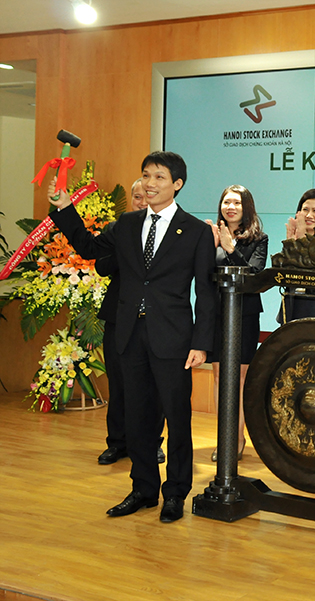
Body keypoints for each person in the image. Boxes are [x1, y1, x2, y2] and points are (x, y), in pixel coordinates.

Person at [49, 151, 216, 524]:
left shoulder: (195, 231)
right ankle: (143, 489)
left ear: (177, 184)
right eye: (146, 175)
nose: (150, 183)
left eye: (159, 177)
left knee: (177, 418)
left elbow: (206, 293)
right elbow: (90, 249)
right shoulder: (127, 224)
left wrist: (201, 343)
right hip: (129, 333)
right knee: (137, 417)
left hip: (173, 338)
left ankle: (175, 493)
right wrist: (65, 209)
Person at [95, 179, 165, 466]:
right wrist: (126, 249)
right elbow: (101, 266)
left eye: (146, 196)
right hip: (118, 316)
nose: (141, 202)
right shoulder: (119, 229)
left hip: (156, 319)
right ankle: (117, 442)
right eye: (137, 196)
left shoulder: (165, 230)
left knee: (154, 385)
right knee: (119, 382)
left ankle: (152, 442)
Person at [206, 185, 268, 462]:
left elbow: (254, 276)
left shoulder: (258, 239)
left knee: (240, 378)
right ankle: (224, 437)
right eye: (226, 202)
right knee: (219, 376)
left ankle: (237, 438)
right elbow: (203, 274)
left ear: (247, 208)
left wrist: (230, 249)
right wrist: (210, 246)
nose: (230, 207)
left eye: (237, 203)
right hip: (216, 314)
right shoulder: (211, 236)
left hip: (245, 315)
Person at [278, 188, 315, 323]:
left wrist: (302, 242)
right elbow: (282, 276)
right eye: (305, 210)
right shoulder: (293, 240)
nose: (309, 215)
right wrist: (291, 247)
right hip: (292, 311)